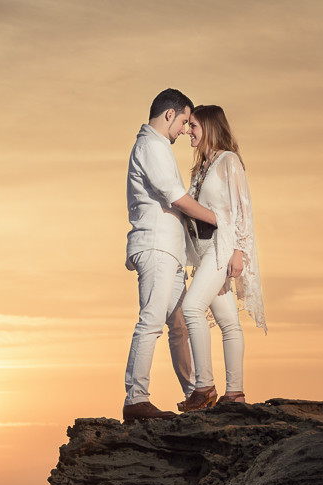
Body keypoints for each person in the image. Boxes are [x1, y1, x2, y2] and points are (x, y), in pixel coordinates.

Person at [123, 89, 218, 424]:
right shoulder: (151, 145)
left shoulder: (157, 147)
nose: (184, 129)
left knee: (179, 325)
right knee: (151, 321)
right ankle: (136, 399)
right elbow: (174, 196)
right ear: (169, 115)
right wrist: (217, 218)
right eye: (183, 121)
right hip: (156, 247)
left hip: (170, 252)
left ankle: (196, 392)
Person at [177, 105, 266, 411]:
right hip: (204, 252)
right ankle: (236, 394)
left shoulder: (228, 162)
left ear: (210, 127)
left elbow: (242, 209)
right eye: (188, 126)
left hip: (222, 247)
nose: (189, 130)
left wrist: (239, 251)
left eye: (194, 126)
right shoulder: (202, 166)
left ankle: (204, 387)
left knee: (191, 308)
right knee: (229, 322)